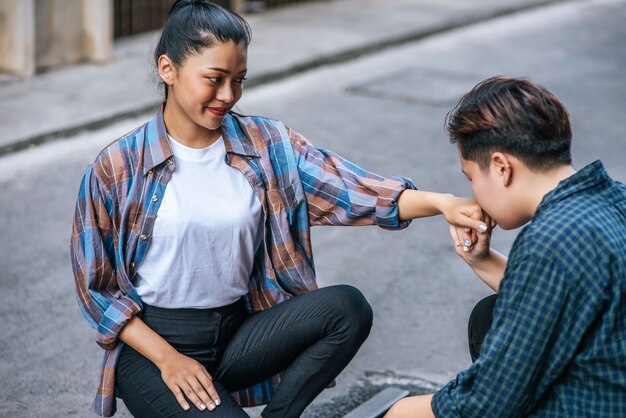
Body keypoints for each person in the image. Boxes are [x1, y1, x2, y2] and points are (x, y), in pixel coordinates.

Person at [70, 1, 486, 417]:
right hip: (153, 351)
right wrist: (169, 360)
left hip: (236, 336)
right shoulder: (118, 166)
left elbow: (352, 190)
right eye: (214, 79)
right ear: (168, 69)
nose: (228, 96)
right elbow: (98, 291)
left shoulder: (267, 144)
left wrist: (442, 203)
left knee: (346, 308)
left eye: (239, 80)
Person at [385, 76, 626, 417]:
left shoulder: (552, 239)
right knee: (489, 315)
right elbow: (562, 302)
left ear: (501, 166)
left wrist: (399, 411)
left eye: (471, 177)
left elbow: (486, 402)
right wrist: (480, 260)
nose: (474, 192)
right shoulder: (614, 198)